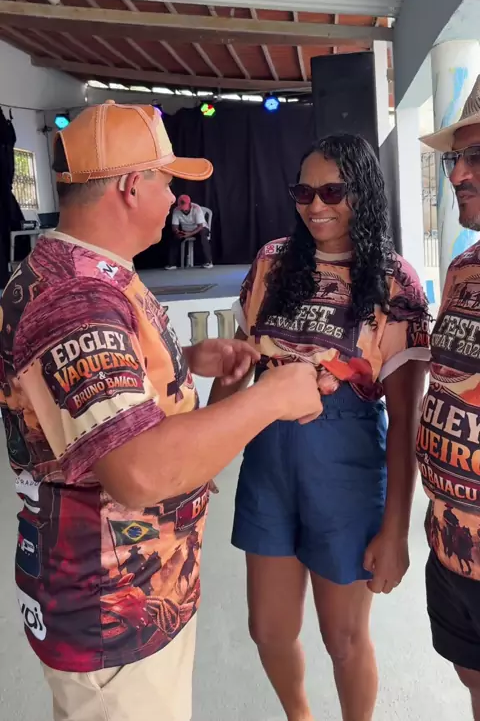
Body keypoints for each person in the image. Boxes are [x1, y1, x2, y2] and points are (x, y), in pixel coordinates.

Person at [0, 100, 323, 721]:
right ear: (130, 186)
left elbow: (100, 406)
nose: (175, 198)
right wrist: (272, 397)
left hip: (133, 598)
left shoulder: (88, 272)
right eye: (166, 180)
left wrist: (188, 366)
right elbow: (138, 470)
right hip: (112, 615)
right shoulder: (78, 298)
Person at [209, 134, 430, 721]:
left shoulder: (395, 280)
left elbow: (404, 420)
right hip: (268, 461)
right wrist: (203, 449)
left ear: (363, 192)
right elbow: (239, 363)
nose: (316, 205)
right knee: (267, 630)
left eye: (332, 191)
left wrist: (396, 530)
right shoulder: (273, 261)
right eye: (303, 192)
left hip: (346, 467)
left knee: (345, 639)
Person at [419, 75, 480, 719]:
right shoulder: (463, 269)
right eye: (455, 158)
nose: (458, 173)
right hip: (452, 544)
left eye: (476, 157)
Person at [166, 194, 213, 269]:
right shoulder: (176, 210)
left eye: (186, 208)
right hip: (186, 231)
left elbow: (200, 226)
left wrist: (189, 234)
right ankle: (172, 264)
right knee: (174, 237)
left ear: (190, 204)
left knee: (202, 235)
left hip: (200, 229)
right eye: (182, 208)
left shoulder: (196, 208)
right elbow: (174, 226)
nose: (184, 210)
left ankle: (208, 262)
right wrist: (177, 232)